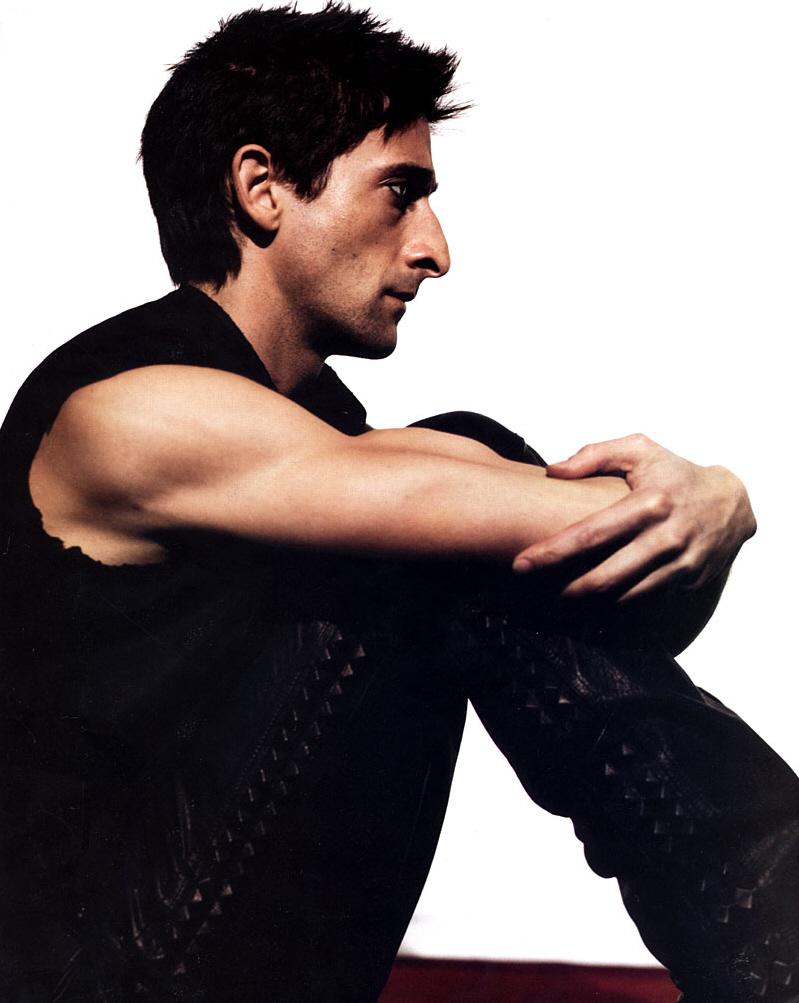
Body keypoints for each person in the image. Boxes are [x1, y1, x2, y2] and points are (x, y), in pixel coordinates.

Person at [0, 6, 796, 1002]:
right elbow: (553, 531)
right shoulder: (129, 413)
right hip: (93, 976)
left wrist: (707, 506)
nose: (435, 250)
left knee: (460, 490)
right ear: (261, 187)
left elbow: (628, 610)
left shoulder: (318, 438)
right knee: (446, 521)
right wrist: (718, 493)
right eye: (400, 192)